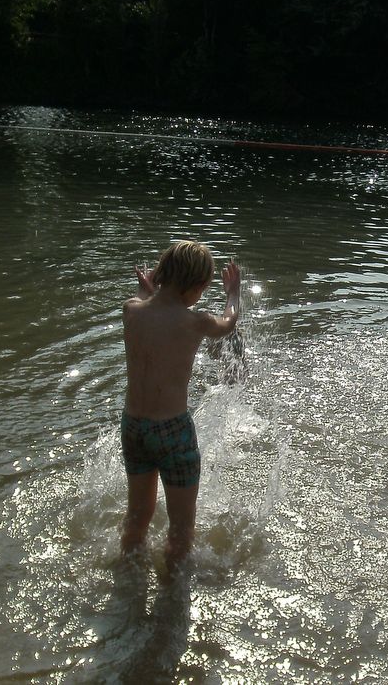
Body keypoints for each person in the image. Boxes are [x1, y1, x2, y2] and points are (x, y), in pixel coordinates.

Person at [120, 240, 241, 573]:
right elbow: (228, 322)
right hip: (173, 430)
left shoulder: (131, 310)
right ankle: (173, 591)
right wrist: (233, 293)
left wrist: (147, 290)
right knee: (181, 526)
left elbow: (145, 303)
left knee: (137, 515)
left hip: (133, 426)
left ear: (162, 273)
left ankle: (127, 575)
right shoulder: (196, 322)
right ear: (197, 286)